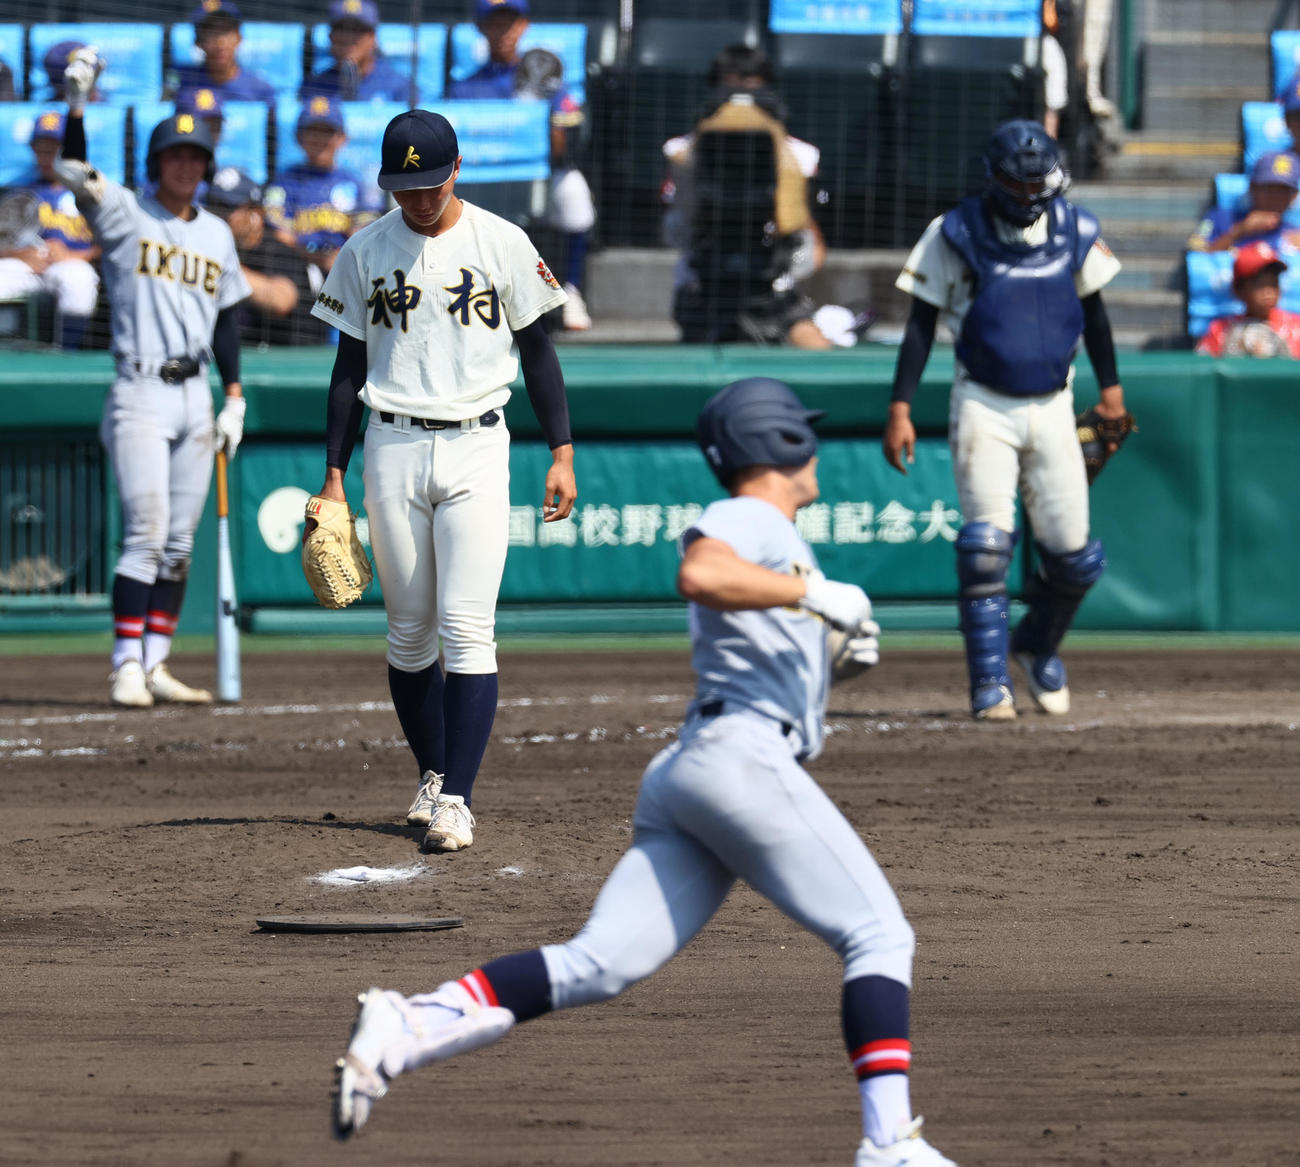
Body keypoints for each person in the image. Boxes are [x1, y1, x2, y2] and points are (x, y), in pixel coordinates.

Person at [330, 376, 957, 1167]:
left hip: (699, 772)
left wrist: (832, 648)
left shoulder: (776, 539)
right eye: (806, 431)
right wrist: (815, 594)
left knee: (598, 962)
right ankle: (889, 1142)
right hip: (740, 764)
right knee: (878, 933)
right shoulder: (748, 517)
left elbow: (753, 624)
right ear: (780, 442)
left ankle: (411, 1023)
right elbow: (701, 572)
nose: (818, 446)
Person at [307, 109, 577, 853]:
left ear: (456, 170)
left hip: (478, 447)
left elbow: (540, 352)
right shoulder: (365, 250)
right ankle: (432, 773)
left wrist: (562, 451)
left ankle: (457, 798)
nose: (419, 199)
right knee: (408, 631)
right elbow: (346, 370)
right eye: (405, 186)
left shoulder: (501, 240)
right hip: (391, 443)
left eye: (430, 183)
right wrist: (334, 473)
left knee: (466, 626)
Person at [884, 118, 1129, 721]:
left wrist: (1114, 390)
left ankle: (1037, 644)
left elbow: (1095, 316)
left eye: (1033, 185)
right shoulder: (955, 232)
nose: (1024, 197)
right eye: (1013, 185)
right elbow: (920, 325)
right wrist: (900, 407)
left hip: (1054, 402)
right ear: (992, 179)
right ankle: (989, 682)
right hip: (983, 402)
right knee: (985, 549)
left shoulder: (1076, 228)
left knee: (1075, 556)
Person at [52, 48, 252, 707]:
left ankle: (157, 659)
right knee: (145, 532)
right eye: (175, 156)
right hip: (138, 389)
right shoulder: (126, 216)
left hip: (197, 395)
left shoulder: (219, 234)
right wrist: (78, 105)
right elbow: (73, 169)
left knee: (177, 543)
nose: (186, 166)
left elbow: (226, 320)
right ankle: (124, 663)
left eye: (195, 158)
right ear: (156, 164)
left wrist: (233, 394)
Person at [661, 43, 833, 348]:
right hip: (703, 288)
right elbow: (677, 233)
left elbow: (807, 252)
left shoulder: (801, 158)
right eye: (730, 91)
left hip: (771, 289)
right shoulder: (681, 155)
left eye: (752, 91)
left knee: (813, 345)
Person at [448, 0, 595, 332]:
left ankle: (569, 288)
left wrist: (538, 113)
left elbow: (566, 143)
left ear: (523, 25)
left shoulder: (546, 77)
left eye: (510, 22)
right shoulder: (464, 87)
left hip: (536, 177)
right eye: (494, 22)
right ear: (481, 28)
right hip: (478, 181)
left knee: (575, 195)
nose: (503, 31)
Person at [0, 110, 101, 349]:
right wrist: (19, 254)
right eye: (41, 148)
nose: (47, 156)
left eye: (54, 148)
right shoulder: (19, 192)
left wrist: (75, 255)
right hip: (27, 266)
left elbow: (112, 243)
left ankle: (67, 358)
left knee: (79, 281)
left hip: (72, 263)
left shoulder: (91, 192)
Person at [262, 94, 385, 279]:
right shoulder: (284, 182)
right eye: (312, 131)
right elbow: (280, 233)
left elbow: (364, 234)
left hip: (344, 269)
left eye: (327, 132)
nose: (319, 140)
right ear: (298, 137)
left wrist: (340, 258)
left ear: (342, 138)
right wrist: (314, 257)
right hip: (297, 269)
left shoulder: (355, 184)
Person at [206, 166, 328, 346]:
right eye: (213, 206)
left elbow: (282, 300)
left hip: (293, 359)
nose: (218, 215)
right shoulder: (219, 247)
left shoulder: (277, 250)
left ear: (256, 213)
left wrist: (218, 266)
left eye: (227, 208)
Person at [1195, 240, 1300, 358]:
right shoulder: (1221, 330)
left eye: (1273, 283)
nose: (1268, 292)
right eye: (1259, 285)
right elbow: (1202, 369)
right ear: (1239, 289)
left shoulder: (1296, 328)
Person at [1186, 150, 1300, 255]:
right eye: (1269, 189)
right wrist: (1238, 232)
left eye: (1283, 192)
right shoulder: (1217, 218)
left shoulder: (1294, 236)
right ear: (1252, 187)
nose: (1275, 197)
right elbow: (1196, 261)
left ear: (1294, 196)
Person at [300, 0, 411, 103]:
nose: (348, 37)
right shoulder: (314, 87)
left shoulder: (399, 86)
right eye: (341, 28)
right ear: (330, 36)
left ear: (373, 38)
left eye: (357, 29)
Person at [170, 0, 276, 105]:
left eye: (226, 31)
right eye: (211, 33)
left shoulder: (260, 89)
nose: (220, 42)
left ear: (239, 37)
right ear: (198, 41)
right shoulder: (180, 79)